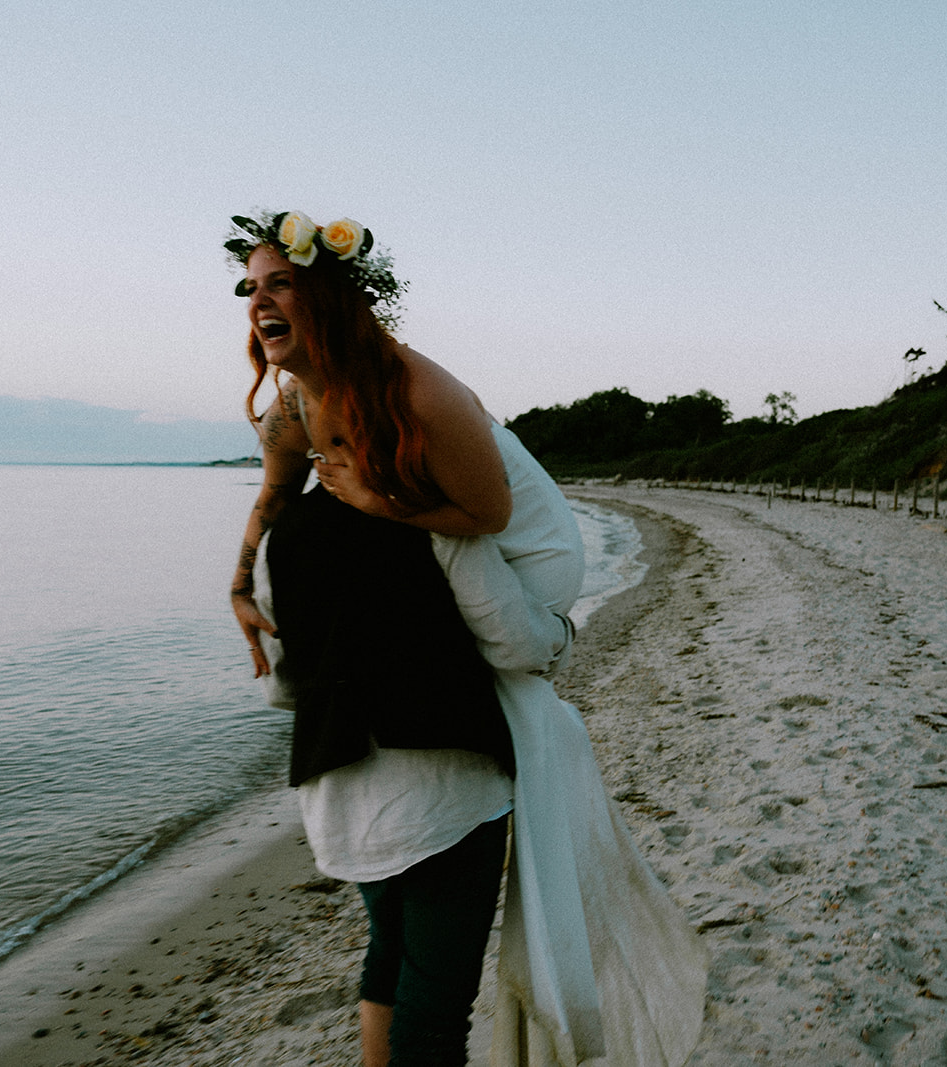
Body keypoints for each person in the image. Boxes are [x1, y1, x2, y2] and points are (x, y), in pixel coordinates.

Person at [226, 211, 708, 1067]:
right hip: (434, 742)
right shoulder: (295, 411)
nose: (257, 301)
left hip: (502, 585)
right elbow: (271, 503)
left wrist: (378, 506)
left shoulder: (420, 394)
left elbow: (485, 515)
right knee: (427, 983)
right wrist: (236, 583)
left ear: (333, 294)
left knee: (397, 957)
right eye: (250, 286)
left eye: (280, 282)